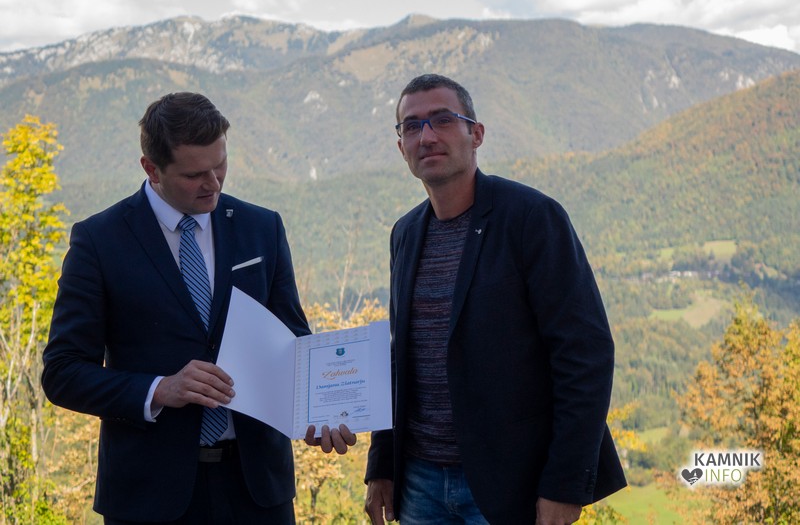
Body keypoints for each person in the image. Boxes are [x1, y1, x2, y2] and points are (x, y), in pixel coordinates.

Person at [42, 92, 354, 524]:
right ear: (151, 169)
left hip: (259, 489)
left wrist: (320, 410)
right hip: (148, 495)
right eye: (194, 175)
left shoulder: (262, 227)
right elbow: (63, 372)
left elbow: (293, 341)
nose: (214, 183)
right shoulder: (99, 241)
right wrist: (159, 390)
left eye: (220, 165)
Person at [364, 74, 627, 525]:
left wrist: (564, 485)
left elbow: (586, 355)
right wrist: (382, 464)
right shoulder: (405, 233)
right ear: (401, 146)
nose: (426, 136)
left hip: (512, 483)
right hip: (420, 485)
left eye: (442, 120)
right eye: (411, 126)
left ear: (476, 134)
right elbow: (400, 357)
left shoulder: (531, 218)